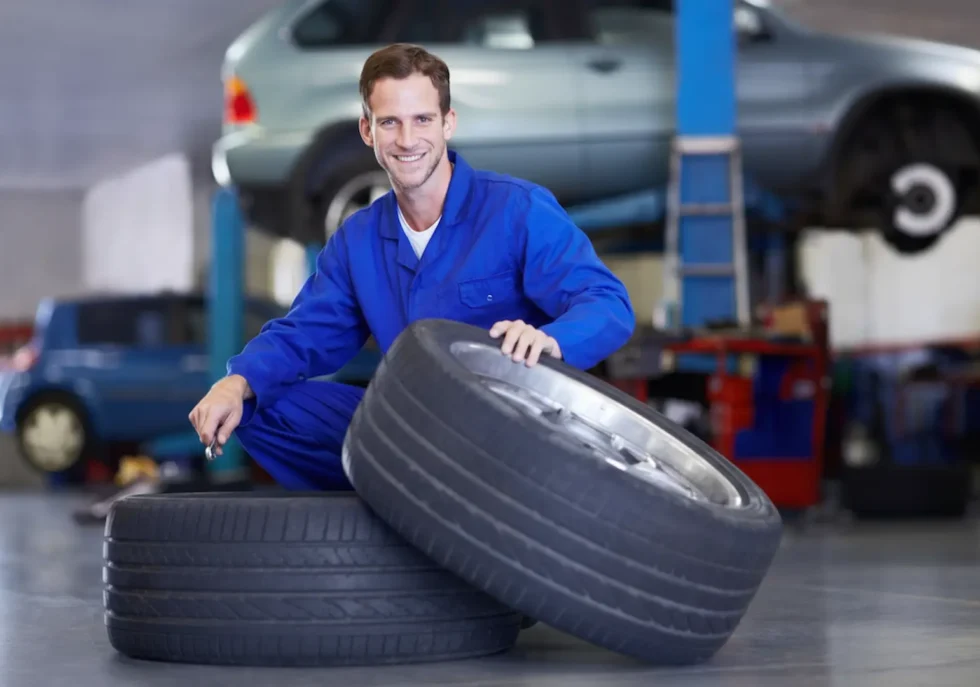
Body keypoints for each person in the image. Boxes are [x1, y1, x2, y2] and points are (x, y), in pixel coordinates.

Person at [188, 43, 635, 491]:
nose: (406, 140)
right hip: (417, 425)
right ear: (368, 131)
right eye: (390, 122)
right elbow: (305, 333)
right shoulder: (358, 239)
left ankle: (430, 497)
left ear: (448, 123)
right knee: (258, 406)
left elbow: (607, 304)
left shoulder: (518, 210)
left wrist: (551, 340)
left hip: (514, 430)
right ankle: (398, 505)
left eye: (422, 119)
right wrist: (239, 380)